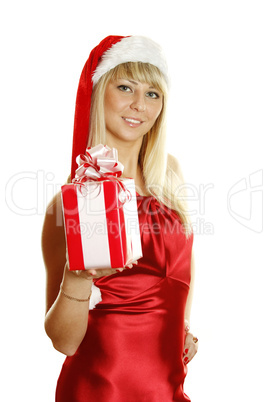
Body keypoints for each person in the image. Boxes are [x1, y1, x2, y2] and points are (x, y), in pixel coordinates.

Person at [42, 35, 198, 402]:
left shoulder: (168, 174)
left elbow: (181, 268)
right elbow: (64, 341)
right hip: (102, 389)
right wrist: (79, 275)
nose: (138, 105)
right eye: (125, 87)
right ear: (99, 93)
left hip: (166, 387)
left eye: (152, 93)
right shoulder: (74, 201)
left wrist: (181, 328)